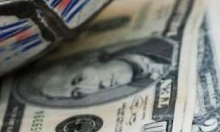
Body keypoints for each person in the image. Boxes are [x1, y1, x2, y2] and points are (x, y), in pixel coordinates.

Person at [13, 37, 175, 108]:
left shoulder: (157, 43)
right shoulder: (144, 87)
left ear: (88, 61)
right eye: (78, 93)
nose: (91, 88)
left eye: (78, 79)